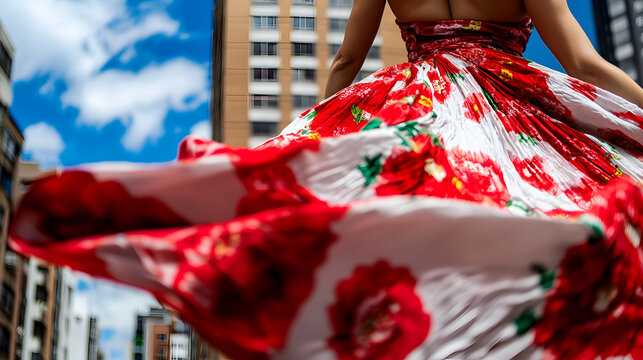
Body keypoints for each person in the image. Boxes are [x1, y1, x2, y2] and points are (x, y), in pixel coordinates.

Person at [9, 0, 643, 359]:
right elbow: (583, 61)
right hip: (506, 112)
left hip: (416, 105)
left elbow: (346, 61)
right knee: (549, 223)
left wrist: (317, 138)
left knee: (401, 237)